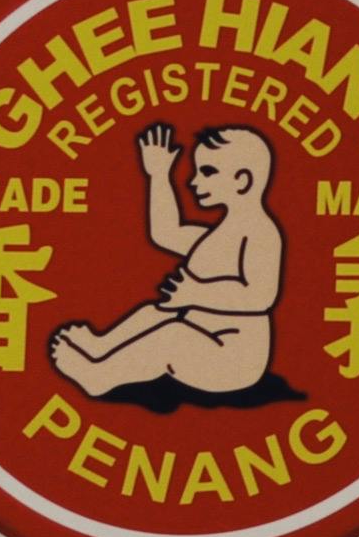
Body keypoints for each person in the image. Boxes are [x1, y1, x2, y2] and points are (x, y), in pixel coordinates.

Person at [53, 123, 284, 399]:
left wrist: (196, 293)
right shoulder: (216, 236)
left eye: (208, 172)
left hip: (233, 359)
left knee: (171, 336)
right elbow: (166, 233)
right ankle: (101, 346)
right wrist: (159, 174)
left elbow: (261, 295)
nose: (194, 181)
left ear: (242, 181)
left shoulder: (260, 232)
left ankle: (100, 376)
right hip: (204, 337)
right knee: (156, 311)